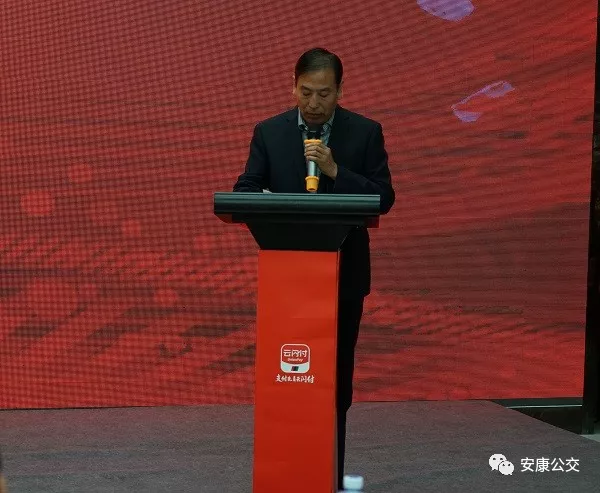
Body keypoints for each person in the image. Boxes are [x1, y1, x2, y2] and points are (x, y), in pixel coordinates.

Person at [233, 47, 395, 485]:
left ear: (339, 91)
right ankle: (285, 474)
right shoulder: (270, 132)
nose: (314, 103)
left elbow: (383, 197)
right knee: (286, 379)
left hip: (343, 278)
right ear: (293, 87)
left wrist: (335, 170)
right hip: (287, 282)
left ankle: (329, 475)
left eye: (324, 93)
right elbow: (245, 187)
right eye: (306, 92)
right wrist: (263, 199)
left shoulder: (364, 132)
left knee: (334, 382)